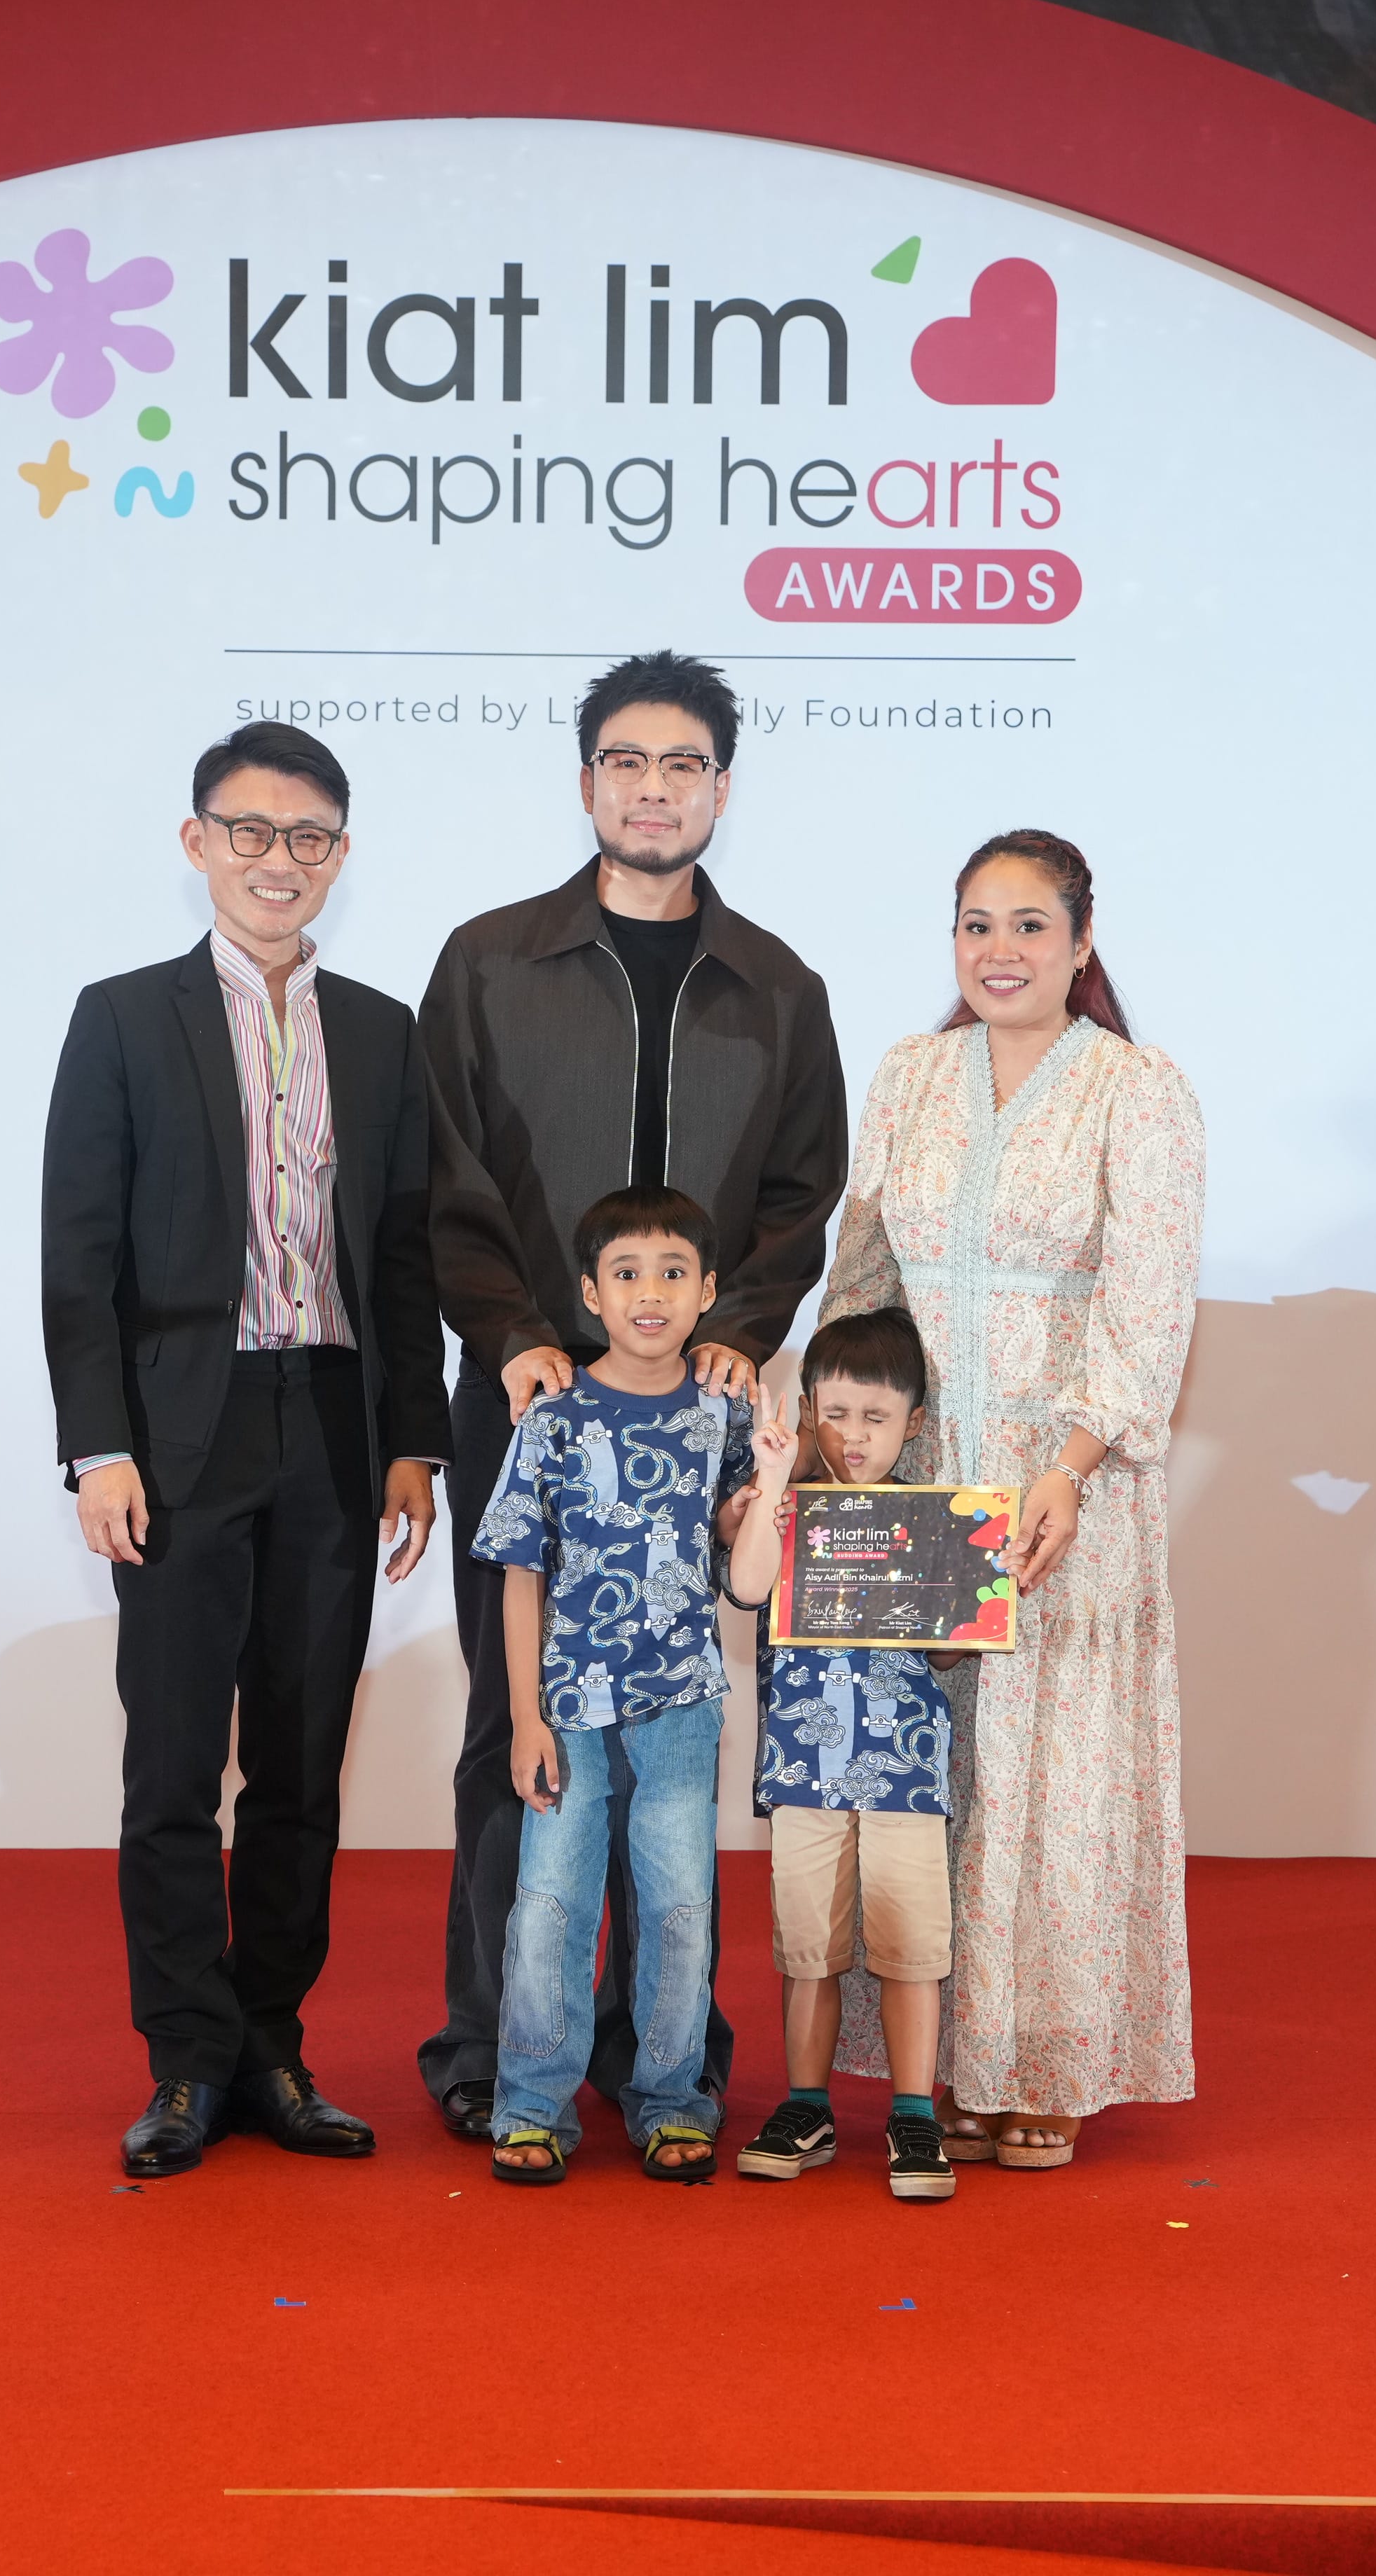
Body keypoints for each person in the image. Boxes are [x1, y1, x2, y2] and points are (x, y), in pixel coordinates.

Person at [411, 651, 848, 2144]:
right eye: (627, 763)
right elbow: (446, 1172)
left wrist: (741, 1323)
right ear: (585, 779)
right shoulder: (486, 962)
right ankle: (493, 2049)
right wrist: (515, 1328)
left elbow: (804, 1189)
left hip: (700, 1418)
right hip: (529, 1397)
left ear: (722, 787)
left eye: (683, 766)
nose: (653, 790)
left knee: (671, 1726)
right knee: (517, 1721)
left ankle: (659, 2050)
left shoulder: (780, 988)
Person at [40, 720, 446, 2180]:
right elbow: (77, 1257)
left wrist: (415, 1443)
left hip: (334, 1427)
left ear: (341, 856)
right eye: (253, 833)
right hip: (180, 1436)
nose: (282, 863)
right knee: (170, 1770)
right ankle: (185, 2062)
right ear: (196, 841)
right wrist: (99, 1449)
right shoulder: (125, 1019)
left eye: (311, 839)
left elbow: (402, 1254)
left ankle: (272, 2044)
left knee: (299, 1766)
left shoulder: (388, 1033)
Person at [820, 831, 1204, 2173]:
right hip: (923, 1477)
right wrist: (836, 1439)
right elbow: (861, 1280)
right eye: (976, 923)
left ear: (1082, 942)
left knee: (1056, 1772)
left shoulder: (1137, 1090)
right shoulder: (909, 1075)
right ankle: (934, 2069)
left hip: (1064, 1489)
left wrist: (1071, 1464)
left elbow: (1149, 1302)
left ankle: (1043, 2061)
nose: (1000, 950)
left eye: (1030, 925)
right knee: (935, 1771)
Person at [469, 1184, 757, 2184]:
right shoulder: (552, 1418)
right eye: (626, 1274)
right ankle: (532, 2103)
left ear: (708, 1290)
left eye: (674, 1273)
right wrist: (524, 1718)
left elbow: (740, 1547)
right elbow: (520, 1575)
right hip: (569, 1707)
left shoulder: (724, 1413)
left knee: (681, 1905)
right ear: (590, 1293)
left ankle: (672, 2097)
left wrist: (763, 1496)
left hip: (683, 1703)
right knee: (550, 1903)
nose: (651, 1293)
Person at [720, 1305, 960, 2203]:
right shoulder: (788, 1509)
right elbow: (746, 1587)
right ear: (808, 1406)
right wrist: (773, 1477)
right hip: (806, 1771)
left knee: (911, 1944)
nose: (853, 1436)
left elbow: (947, 1651)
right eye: (836, 1412)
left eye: (877, 1417)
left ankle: (913, 2113)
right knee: (808, 1945)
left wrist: (978, 1598)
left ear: (914, 1424)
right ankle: (808, 2104)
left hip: (906, 1770)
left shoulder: (936, 1520)